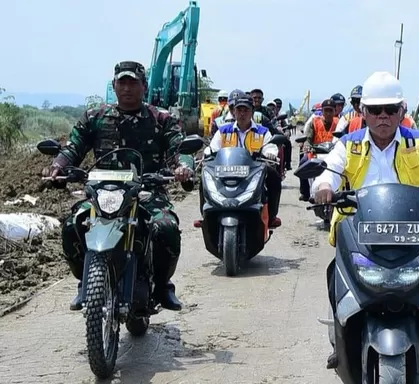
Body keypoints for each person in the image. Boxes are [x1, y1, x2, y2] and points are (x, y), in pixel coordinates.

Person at [311, 71, 419, 368]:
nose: (383, 117)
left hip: (413, 232)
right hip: (361, 232)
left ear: (401, 112)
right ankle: (339, 338)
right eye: (375, 110)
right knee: (334, 276)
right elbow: (329, 171)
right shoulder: (348, 144)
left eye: (391, 110)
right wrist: (324, 187)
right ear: (363, 113)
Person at [44, 61, 195, 311]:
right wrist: (58, 166)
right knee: (72, 226)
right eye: (122, 83)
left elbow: (178, 150)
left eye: (132, 83)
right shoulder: (95, 117)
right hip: (101, 193)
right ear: (114, 86)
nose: (127, 88)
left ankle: (162, 285)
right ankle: (86, 282)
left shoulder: (161, 119)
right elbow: (73, 148)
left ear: (144, 87)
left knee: (166, 228)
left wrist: (184, 167)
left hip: (147, 191)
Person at [207, 94, 283, 228]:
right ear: (233, 112)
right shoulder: (223, 131)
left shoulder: (262, 132)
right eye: (239, 110)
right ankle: (205, 216)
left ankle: (271, 217)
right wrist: (207, 154)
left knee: (274, 177)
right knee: (205, 175)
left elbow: (270, 147)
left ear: (252, 112)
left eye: (246, 110)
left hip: (253, 172)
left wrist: (270, 154)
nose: (242, 114)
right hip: (225, 172)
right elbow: (212, 148)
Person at [299, 99, 339, 201]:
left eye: (331, 110)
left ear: (335, 111)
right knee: (303, 163)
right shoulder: (314, 122)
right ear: (322, 111)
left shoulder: (340, 123)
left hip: (333, 153)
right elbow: (308, 138)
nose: (328, 113)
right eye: (326, 110)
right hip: (316, 153)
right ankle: (305, 192)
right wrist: (307, 146)